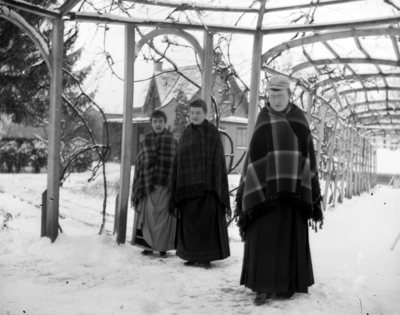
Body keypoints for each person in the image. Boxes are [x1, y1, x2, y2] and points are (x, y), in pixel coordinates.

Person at [235, 75, 323, 305]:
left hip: (293, 194)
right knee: (264, 237)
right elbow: (254, 157)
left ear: (289, 96)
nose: (275, 100)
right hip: (265, 195)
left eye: (280, 96)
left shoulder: (299, 119)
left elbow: (307, 156)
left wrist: (309, 188)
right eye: (272, 96)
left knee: (288, 237)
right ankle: (262, 287)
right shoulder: (263, 119)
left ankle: (287, 285)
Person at [169, 98, 231, 269]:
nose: (194, 116)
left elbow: (217, 161)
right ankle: (190, 255)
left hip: (208, 189)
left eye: (198, 113)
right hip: (188, 189)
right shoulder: (185, 134)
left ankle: (206, 257)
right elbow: (179, 162)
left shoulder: (213, 133)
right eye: (192, 113)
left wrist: (213, 184)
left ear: (206, 114)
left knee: (206, 224)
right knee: (189, 224)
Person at [131, 110, 177, 258]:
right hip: (148, 185)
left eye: (160, 122)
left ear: (165, 123)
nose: (158, 124)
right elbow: (140, 162)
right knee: (149, 215)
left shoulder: (171, 140)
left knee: (164, 216)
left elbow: (175, 163)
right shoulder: (146, 140)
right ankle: (148, 246)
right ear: (151, 123)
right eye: (155, 122)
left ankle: (162, 246)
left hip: (165, 185)